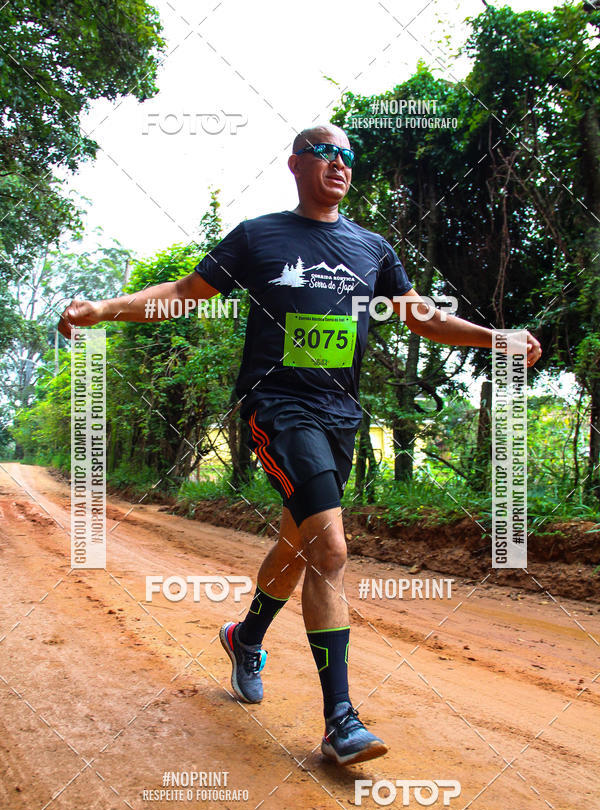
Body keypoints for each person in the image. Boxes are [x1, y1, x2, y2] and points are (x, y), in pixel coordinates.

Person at [58, 122, 542, 766]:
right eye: (325, 152)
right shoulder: (260, 236)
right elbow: (182, 294)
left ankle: (244, 634)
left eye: (348, 154)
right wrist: (104, 310)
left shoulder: (372, 247)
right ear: (295, 163)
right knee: (330, 549)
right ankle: (340, 720)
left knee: (296, 545)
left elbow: (418, 313)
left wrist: (495, 337)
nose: (339, 163)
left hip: (340, 414)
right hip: (277, 408)